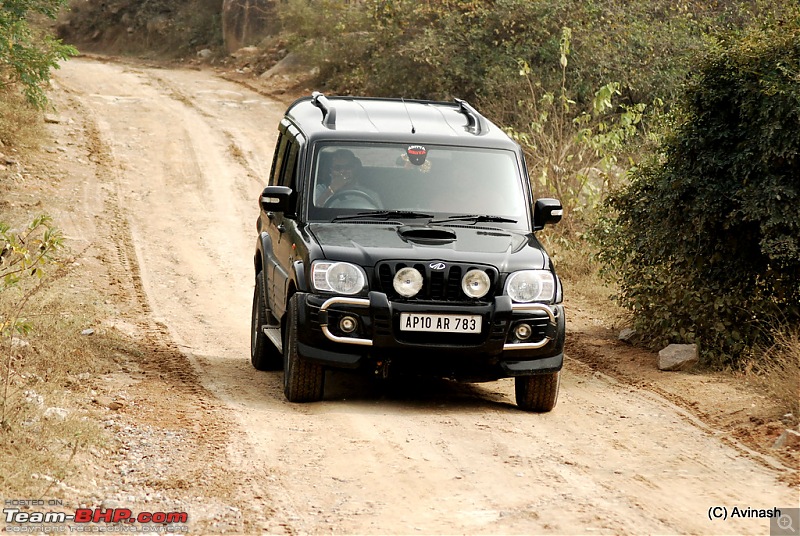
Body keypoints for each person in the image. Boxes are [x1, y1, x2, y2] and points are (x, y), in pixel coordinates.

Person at [314, 149, 382, 209]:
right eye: (338, 168)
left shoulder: (370, 195)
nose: (343, 171)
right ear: (330, 171)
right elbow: (313, 213)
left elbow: (380, 218)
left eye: (348, 167)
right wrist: (330, 190)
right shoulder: (319, 191)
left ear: (355, 169)